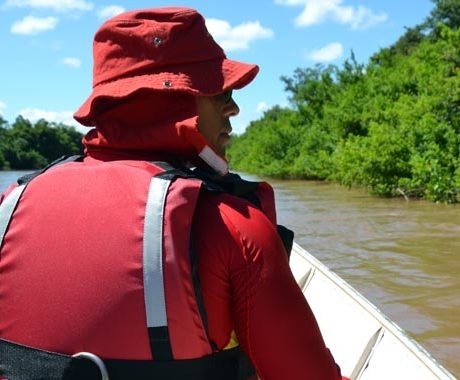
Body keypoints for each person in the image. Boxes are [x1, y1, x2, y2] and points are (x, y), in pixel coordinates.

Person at [0, 7, 345, 380]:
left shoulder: (10, 205)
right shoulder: (235, 227)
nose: (234, 107)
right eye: (220, 92)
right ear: (172, 99)